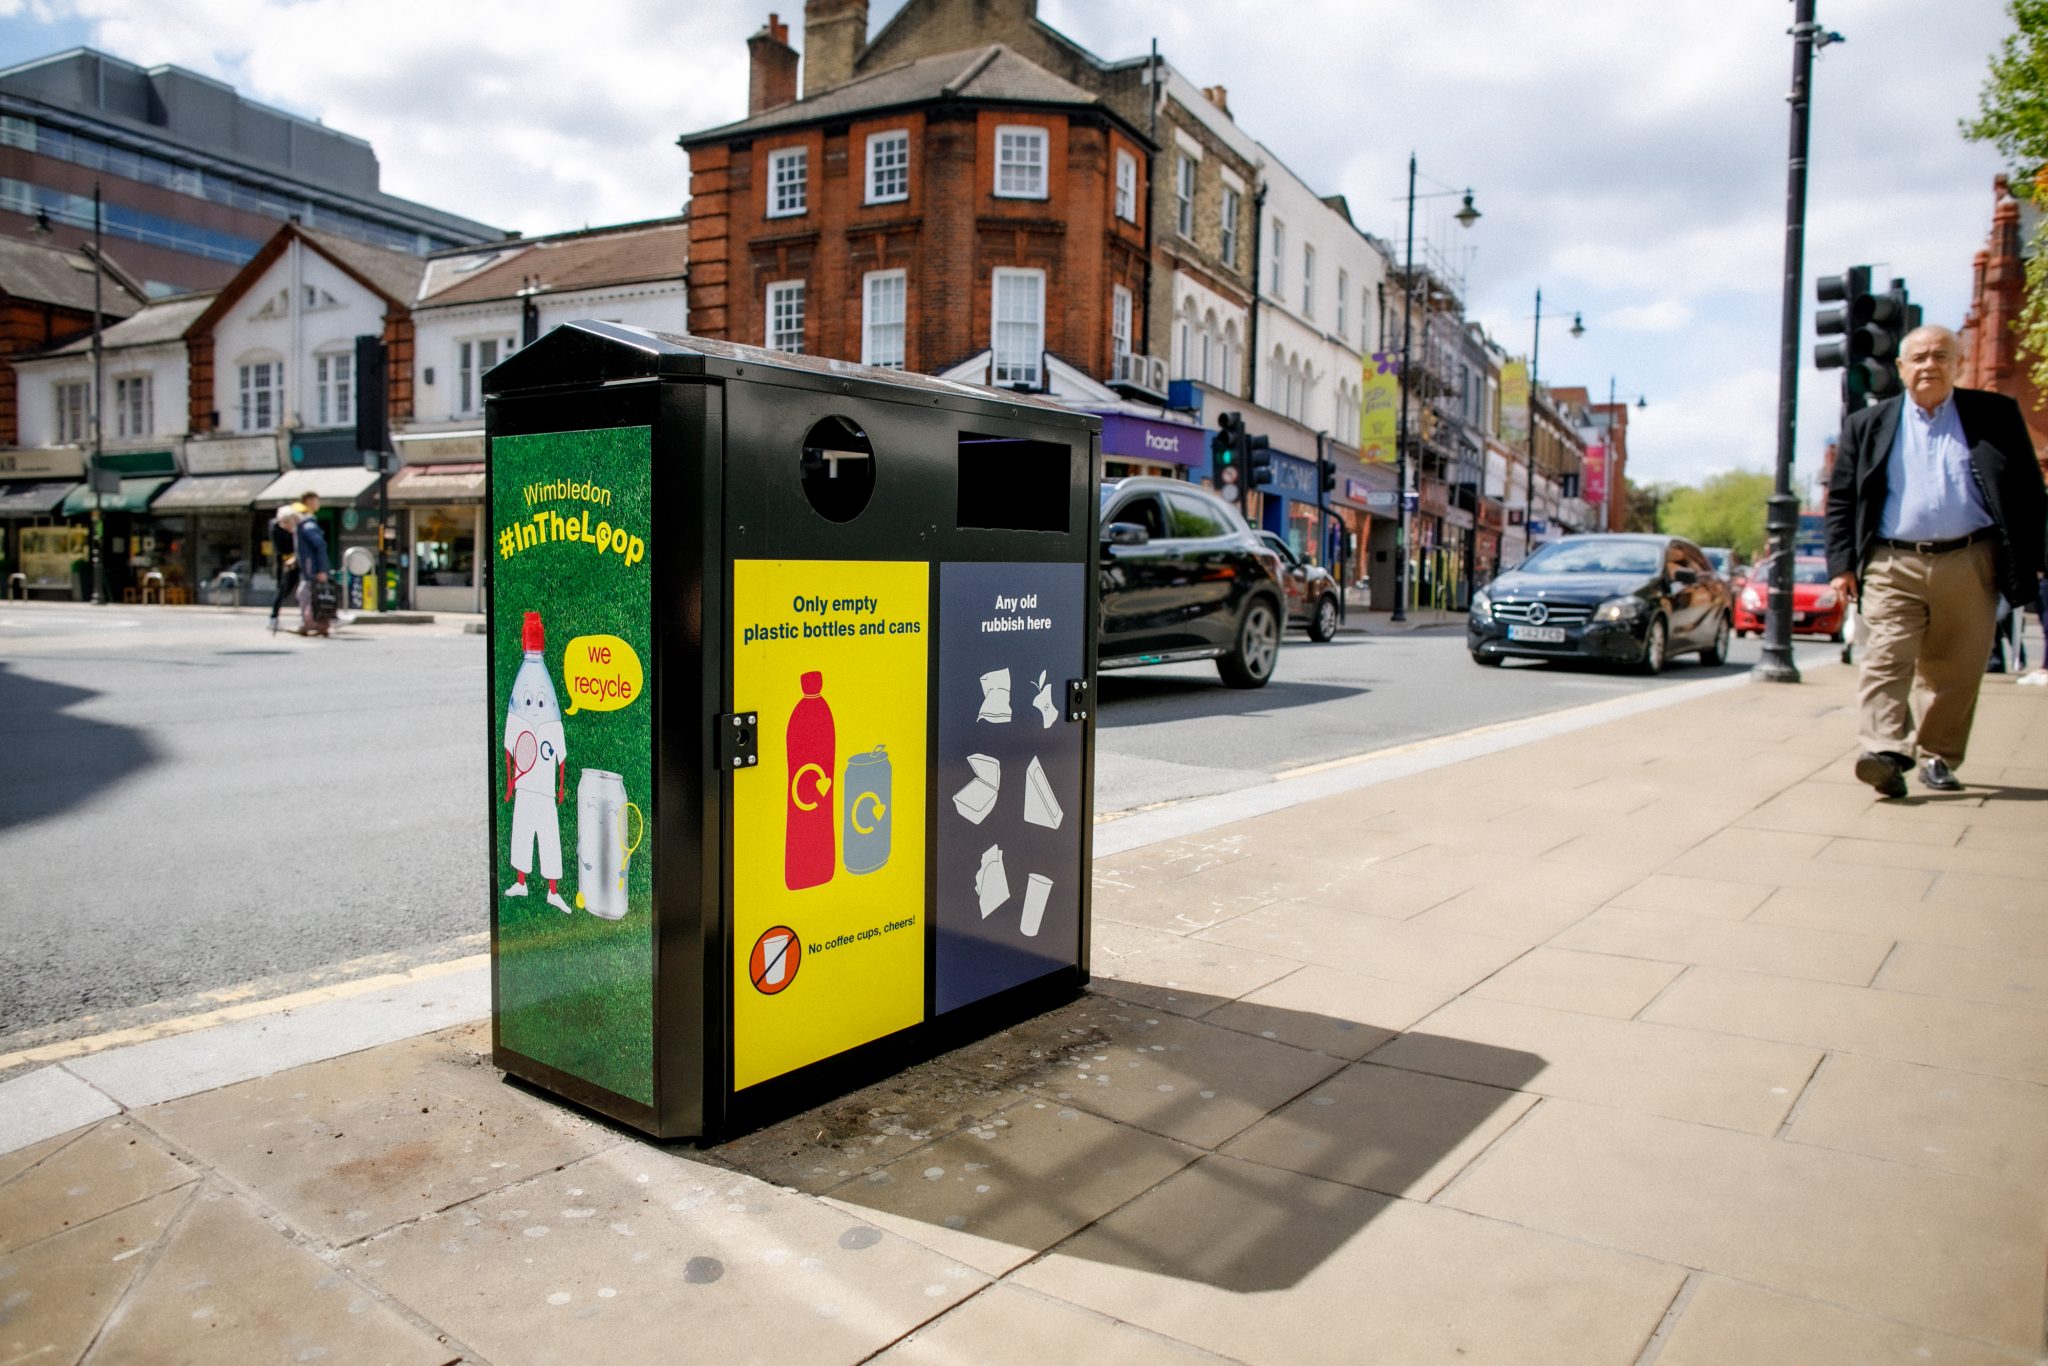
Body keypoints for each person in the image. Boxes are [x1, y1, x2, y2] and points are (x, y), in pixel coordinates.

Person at [1825, 324, 2047, 797]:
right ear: (1901, 368)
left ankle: (1938, 756)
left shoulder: (1995, 415)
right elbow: (1842, 498)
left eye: (1941, 356)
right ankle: (1885, 751)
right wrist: (1842, 565)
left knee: (1956, 669)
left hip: (1971, 560)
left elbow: (2029, 490)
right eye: (1919, 357)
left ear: (1958, 364)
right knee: (1886, 657)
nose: (1930, 365)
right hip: (1891, 561)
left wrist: (2035, 556)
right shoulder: (1867, 424)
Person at [293, 491, 332, 637]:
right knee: (312, 595)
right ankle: (316, 624)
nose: (318, 504)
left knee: (308, 595)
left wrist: (322, 569)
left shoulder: (306, 524)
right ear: (308, 502)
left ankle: (312, 624)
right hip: (312, 568)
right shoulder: (307, 523)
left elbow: (319, 546)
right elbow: (317, 546)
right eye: (316, 501)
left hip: (312, 568)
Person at [266, 504, 301, 632]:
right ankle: (273, 618)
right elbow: (282, 549)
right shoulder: (277, 530)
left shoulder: (296, 526)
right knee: (283, 590)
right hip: (287, 563)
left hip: (298, 562)